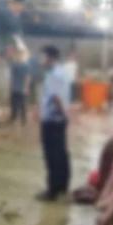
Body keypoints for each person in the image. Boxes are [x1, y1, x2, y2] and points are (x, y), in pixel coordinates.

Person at [38, 45, 72, 201]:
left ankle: (52, 191)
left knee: (52, 156)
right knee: (61, 153)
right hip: (59, 120)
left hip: (52, 121)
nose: (41, 60)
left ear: (50, 58)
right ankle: (62, 186)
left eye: (43, 57)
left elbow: (57, 98)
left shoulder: (53, 75)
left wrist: (64, 115)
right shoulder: (62, 73)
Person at [8, 46, 31, 126]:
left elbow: (27, 77)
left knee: (22, 104)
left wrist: (26, 87)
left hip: (21, 88)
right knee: (14, 104)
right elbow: (12, 77)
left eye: (21, 54)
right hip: (15, 88)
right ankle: (14, 118)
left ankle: (23, 119)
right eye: (18, 54)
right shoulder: (15, 65)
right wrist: (11, 86)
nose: (19, 56)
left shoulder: (25, 65)